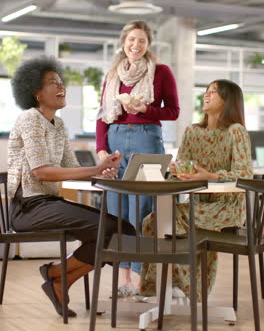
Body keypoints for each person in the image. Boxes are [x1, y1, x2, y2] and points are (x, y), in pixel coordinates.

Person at [8, 55, 135, 318]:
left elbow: (72, 170)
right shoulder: (30, 119)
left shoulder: (59, 124)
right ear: (36, 93)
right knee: (113, 229)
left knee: (124, 230)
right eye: (52, 82)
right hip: (28, 208)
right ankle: (56, 277)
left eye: (60, 81)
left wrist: (105, 171)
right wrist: (94, 170)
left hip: (49, 204)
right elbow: (41, 173)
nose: (61, 86)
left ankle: (57, 276)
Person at [139, 79, 253, 299]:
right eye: (207, 91)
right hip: (198, 204)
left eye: (214, 92)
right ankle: (175, 288)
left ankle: (174, 288)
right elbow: (182, 169)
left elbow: (245, 174)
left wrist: (209, 176)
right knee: (152, 221)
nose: (207, 95)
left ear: (229, 100)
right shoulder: (192, 132)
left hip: (226, 207)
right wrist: (176, 172)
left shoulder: (235, 131)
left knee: (162, 221)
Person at [96, 20, 180, 296]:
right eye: (132, 39)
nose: (136, 45)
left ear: (148, 45)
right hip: (116, 139)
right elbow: (102, 116)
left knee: (143, 210)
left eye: (142, 41)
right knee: (117, 210)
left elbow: (174, 112)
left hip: (147, 138)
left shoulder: (162, 72)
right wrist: (101, 149)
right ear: (124, 42)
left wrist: (146, 109)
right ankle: (123, 282)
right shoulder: (112, 76)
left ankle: (142, 278)